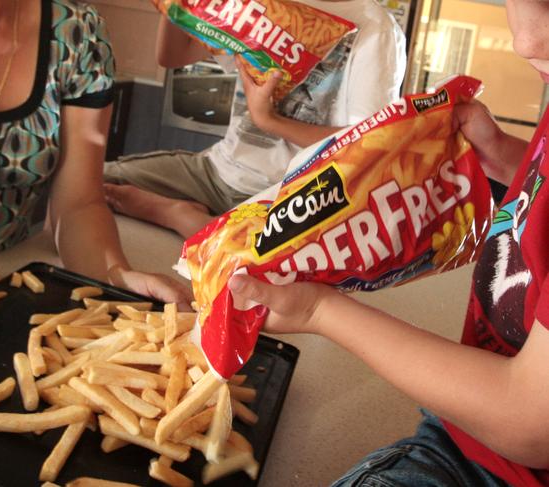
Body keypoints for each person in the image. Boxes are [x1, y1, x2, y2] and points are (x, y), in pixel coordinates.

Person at [228, 1, 549, 485]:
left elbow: (529, 424)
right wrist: (505, 157)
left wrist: (319, 311)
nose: (525, 40)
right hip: (469, 423)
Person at [0, 0, 192, 316]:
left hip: (11, 269)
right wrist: (18, 325)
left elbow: (79, 203)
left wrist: (115, 281)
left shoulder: (76, 32)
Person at [103, 0, 407, 239]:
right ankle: (206, 225)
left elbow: (368, 144)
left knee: (267, 269)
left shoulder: (375, 29)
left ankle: (180, 217)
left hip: (287, 197)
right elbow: (173, 55)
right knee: (90, 184)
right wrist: (175, 6)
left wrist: (269, 120)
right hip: (216, 173)